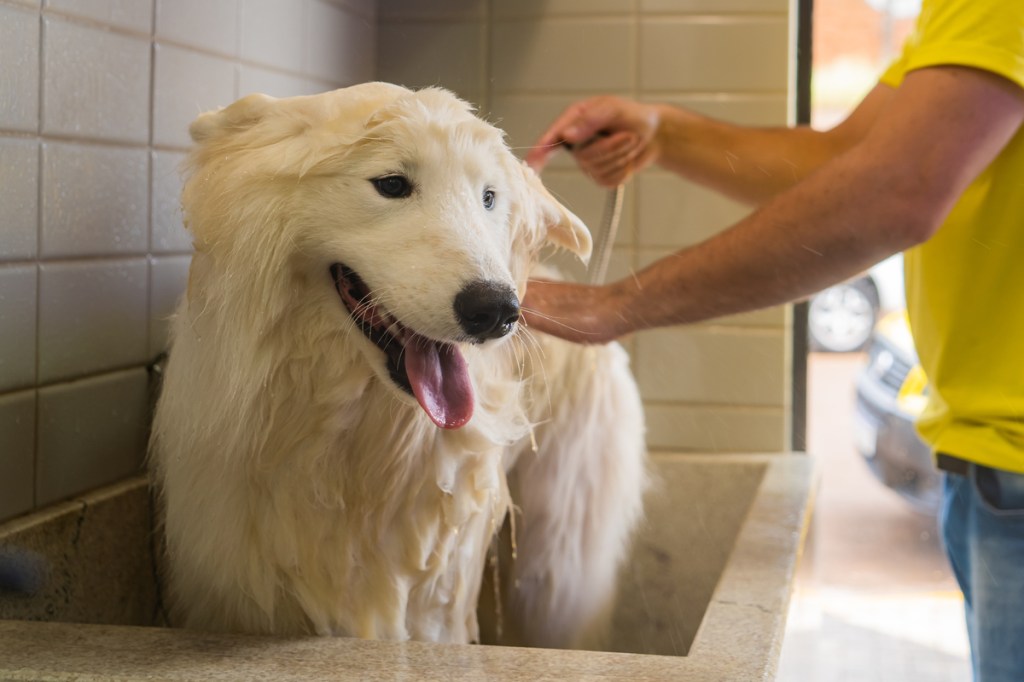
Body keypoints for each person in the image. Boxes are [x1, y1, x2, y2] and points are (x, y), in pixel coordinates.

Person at [522, 1, 1024, 680]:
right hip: (987, 463)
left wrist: (614, 305)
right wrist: (663, 133)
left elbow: (897, 189)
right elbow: (844, 160)